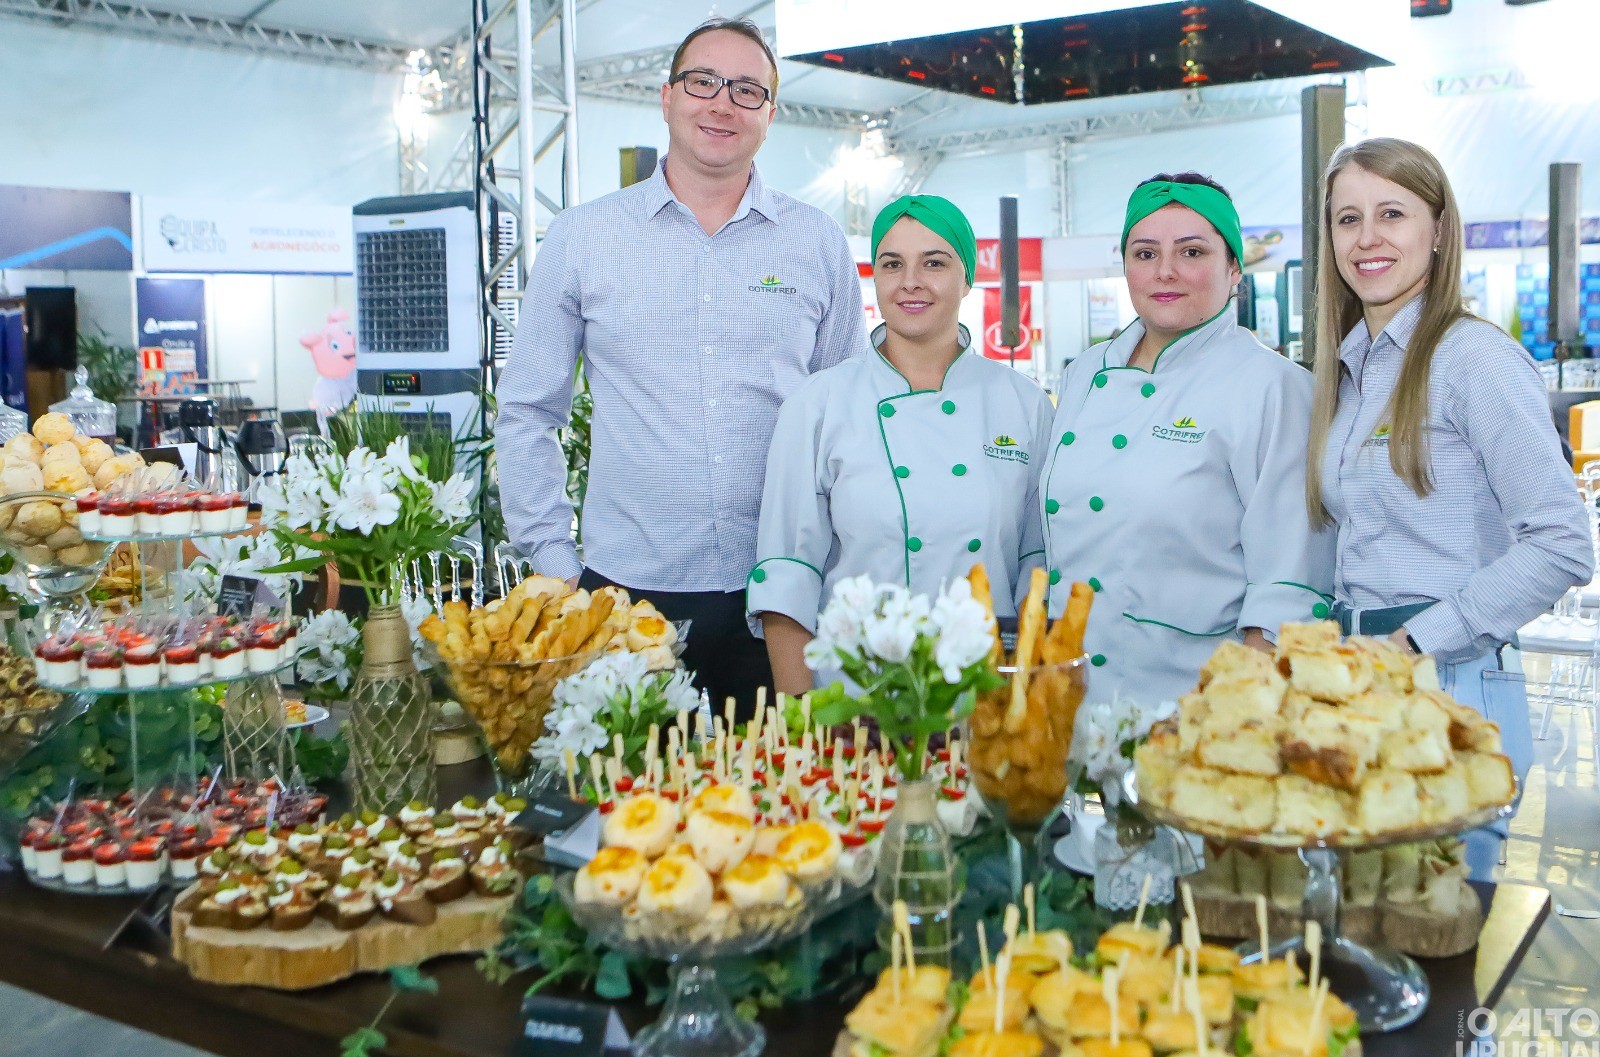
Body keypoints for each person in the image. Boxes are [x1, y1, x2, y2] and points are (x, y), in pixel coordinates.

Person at [494, 18, 866, 717]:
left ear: (770, 115)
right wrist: (557, 568)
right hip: (625, 600)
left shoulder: (814, 242)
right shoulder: (583, 236)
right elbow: (525, 411)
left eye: (747, 90)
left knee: (784, 804)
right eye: (704, 82)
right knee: (626, 806)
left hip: (784, 595)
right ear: (667, 97)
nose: (722, 104)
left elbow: (850, 417)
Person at [1306, 137, 1592, 874]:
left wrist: (1412, 643)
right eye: (1347, 219)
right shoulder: (1349, 370)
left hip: (1449, 687)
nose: (1367, 238)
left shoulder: (1474, 359)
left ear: (1438, 231)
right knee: (1366, 937)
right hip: (1361, 683)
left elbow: (1563, 541)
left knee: (1441, 945)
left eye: (1391, 214)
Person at [1040, 174, 1333, 706]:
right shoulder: (1084, 374)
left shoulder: (1274, 387)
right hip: (1069, 695)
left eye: (1191, 251)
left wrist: (1234, 717)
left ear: (1234, 269)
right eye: (1145, 252)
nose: (1165, 272)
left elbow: (1290, 580)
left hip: (1193, 702)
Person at [750, 196, 1053, 693]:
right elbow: (787, 573)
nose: (911, 281)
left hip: (983, 692)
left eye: (934, 262)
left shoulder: (1023, 404)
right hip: (855, 690)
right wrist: (802, 717)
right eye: (892, 264)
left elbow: (1035, 568)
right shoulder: (819, 403)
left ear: (968, 277)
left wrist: (1024, 705)